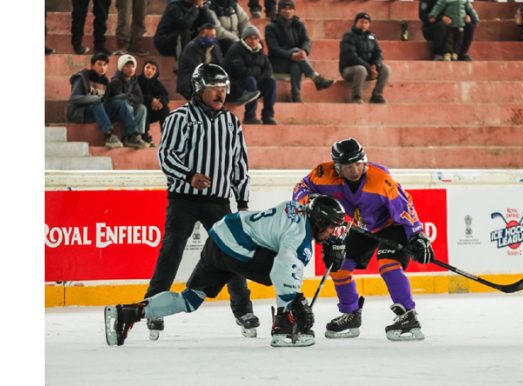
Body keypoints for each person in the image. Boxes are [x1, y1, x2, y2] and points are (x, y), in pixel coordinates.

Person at [104, 195, 348, 347]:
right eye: (331, 228)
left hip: (219, 238)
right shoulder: (299, 234)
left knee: (190, 298)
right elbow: (285, 265)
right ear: (319, 221)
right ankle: (284, 326)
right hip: (237, 247)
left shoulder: (295, 209)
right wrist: (296, 301)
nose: (331, 233)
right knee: (282, 270)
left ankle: (127, 313)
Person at [141, 63, 260, 341]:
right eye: (213, 88)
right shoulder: (179, 118)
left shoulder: (231, 122)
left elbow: (239, 164)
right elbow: (167, 155)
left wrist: (242, 200)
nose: (220, 94)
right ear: (198, 89)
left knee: (233, 255)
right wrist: (189, 175)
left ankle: (243, 310)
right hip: (183, 199)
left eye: (223, 88)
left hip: (219, 201)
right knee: (171, 252)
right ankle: (153, 307)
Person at [292, 138, 435, 341]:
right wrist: (309, 199)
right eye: (349, 166)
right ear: (338, 167)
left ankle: (408, 315)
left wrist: (417, 235)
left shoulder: (380, 180)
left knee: (388, 264)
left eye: (359, 164)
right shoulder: (324, 174)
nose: (355, 170)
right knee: (338, 264)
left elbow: (404, 209)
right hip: (361, 226)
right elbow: (302, 187)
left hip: (390, 225)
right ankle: (351, 313)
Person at [67, 52, 142, 149]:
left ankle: (131, 136)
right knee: (96, 102)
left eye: (105, 65)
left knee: (120, 103)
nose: (102, 67)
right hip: (81, 113)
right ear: (92, 65)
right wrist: (94, 99)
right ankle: (108, 136)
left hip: (98, 112)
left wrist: (122, 97)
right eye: (99, 64)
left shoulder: (105, 82)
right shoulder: (82, 77)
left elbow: (106, 101)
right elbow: (74, 98)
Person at [265, 0, 335, 103]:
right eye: (285, 9)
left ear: (294, 10)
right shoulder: (271, 27)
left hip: (297, 60)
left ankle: (296, 95)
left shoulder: (298, 24)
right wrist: (291, 55)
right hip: (277, 63)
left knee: (296, 63)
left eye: (290, 9)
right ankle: (316, 78)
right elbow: (273, 48)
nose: (288, 11)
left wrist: (304, 52)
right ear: (279, 10)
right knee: (296, 52)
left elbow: (306, 41)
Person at [224, 25, 277, 125]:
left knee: (271, 82)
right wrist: (258, 70)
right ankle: (250, 116)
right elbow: (241, 72)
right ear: (244, 39)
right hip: (235, 88)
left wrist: (258, 75)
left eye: (256, 38)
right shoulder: (236, 49)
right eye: (250, 39)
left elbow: (269, 69)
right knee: (250, 80)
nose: (253, 41)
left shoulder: (260, 49)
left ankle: (268, 115)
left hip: (254, 82)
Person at [339, 12, 391, 104]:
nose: (363, 24)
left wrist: (376, 65)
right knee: (361, 69)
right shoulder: (348, 36)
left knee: (386, 69)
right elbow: (351, 57)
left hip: (369, 69)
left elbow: (378, 53)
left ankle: (377, 95)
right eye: (361, 22)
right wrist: (369, 68)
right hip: (349, 70)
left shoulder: (372, 37)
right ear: (356, 23)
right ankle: (356, 97)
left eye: (366, 22)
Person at [107, 54, 151, 148]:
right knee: (128, 107)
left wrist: (129, 97)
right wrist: (130, 97)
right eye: (127, 66)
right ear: (121, 68)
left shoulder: (134, 81)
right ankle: (129, 136)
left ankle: (138, 136)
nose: (131, 69)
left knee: (142, 108)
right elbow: (118, 98)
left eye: (132, 66)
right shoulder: (115, 81)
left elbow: (140, 98)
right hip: (116, 110)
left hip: (128, 106)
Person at [154, 0, 213, 67]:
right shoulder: (174, 6)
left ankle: (208, 65)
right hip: (165, 41)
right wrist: (195, 6)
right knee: (184, 32)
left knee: (208, 33)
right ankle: (183, 64)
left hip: (186, 40)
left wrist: (203, 8)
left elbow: (210, 25)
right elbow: (184, 24)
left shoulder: (199, 6)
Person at [176, 23, 226, 99]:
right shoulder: (192, 48)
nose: (210, 38)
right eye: (207, 36)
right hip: (190, 82)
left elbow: (220, 64)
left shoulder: (215, 46)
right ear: (200, 34)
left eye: (213, 36)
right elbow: (198, 69)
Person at [137, 60, 171, 134]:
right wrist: (151, 99)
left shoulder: (157, 83)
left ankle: (166, 134)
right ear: (143, 69)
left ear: (156, 72)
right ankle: (144, 134)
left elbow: (165, 96)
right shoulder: (137, 80)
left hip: (152, 111)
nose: (150, 71)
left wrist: (160, 102)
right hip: (139, 111)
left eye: (153, 69)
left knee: (165, 109)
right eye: (147, 67)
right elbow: (136, 95)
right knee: (143, 108)